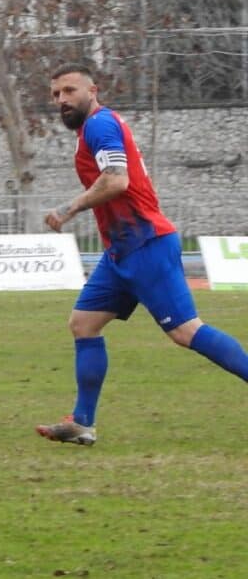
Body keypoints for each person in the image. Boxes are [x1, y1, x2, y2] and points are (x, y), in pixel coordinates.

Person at [36, 63, 248, 446]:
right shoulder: (92, 129)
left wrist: (69, 209)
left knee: (185, 332)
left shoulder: (100, 125)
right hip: (121, 250)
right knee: (83, 323)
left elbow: (117, 181)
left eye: (69, 91)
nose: (61, 100)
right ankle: (82, 422)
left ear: (92, 90)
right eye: (56, 95)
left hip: (146, 244)